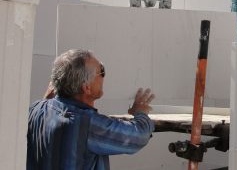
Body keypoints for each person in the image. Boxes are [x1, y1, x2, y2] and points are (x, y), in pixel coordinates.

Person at [27, 49, 155, 170]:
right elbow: (138, 136)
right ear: (86, 88)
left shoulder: (35, 109)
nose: (104, 76)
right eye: (102, 71)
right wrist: (140, 112)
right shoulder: (86, 124)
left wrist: (46, 100)